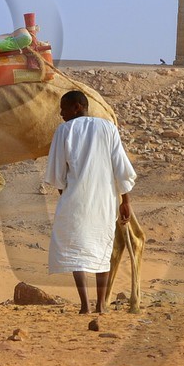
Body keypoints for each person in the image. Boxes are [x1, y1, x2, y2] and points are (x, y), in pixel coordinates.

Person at [44, 89, 136, 315]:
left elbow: (57, 173)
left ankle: (86, 305)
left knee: (78, 251)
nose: (61, 114)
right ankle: (101, 305)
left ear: (77, 107)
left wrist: (64, 195)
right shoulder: (108, 128)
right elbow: (121, 168)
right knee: (101, 249)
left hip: (75, 199)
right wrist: (125, 200)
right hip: (105, 200)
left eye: (63, 108)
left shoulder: (64, 130)